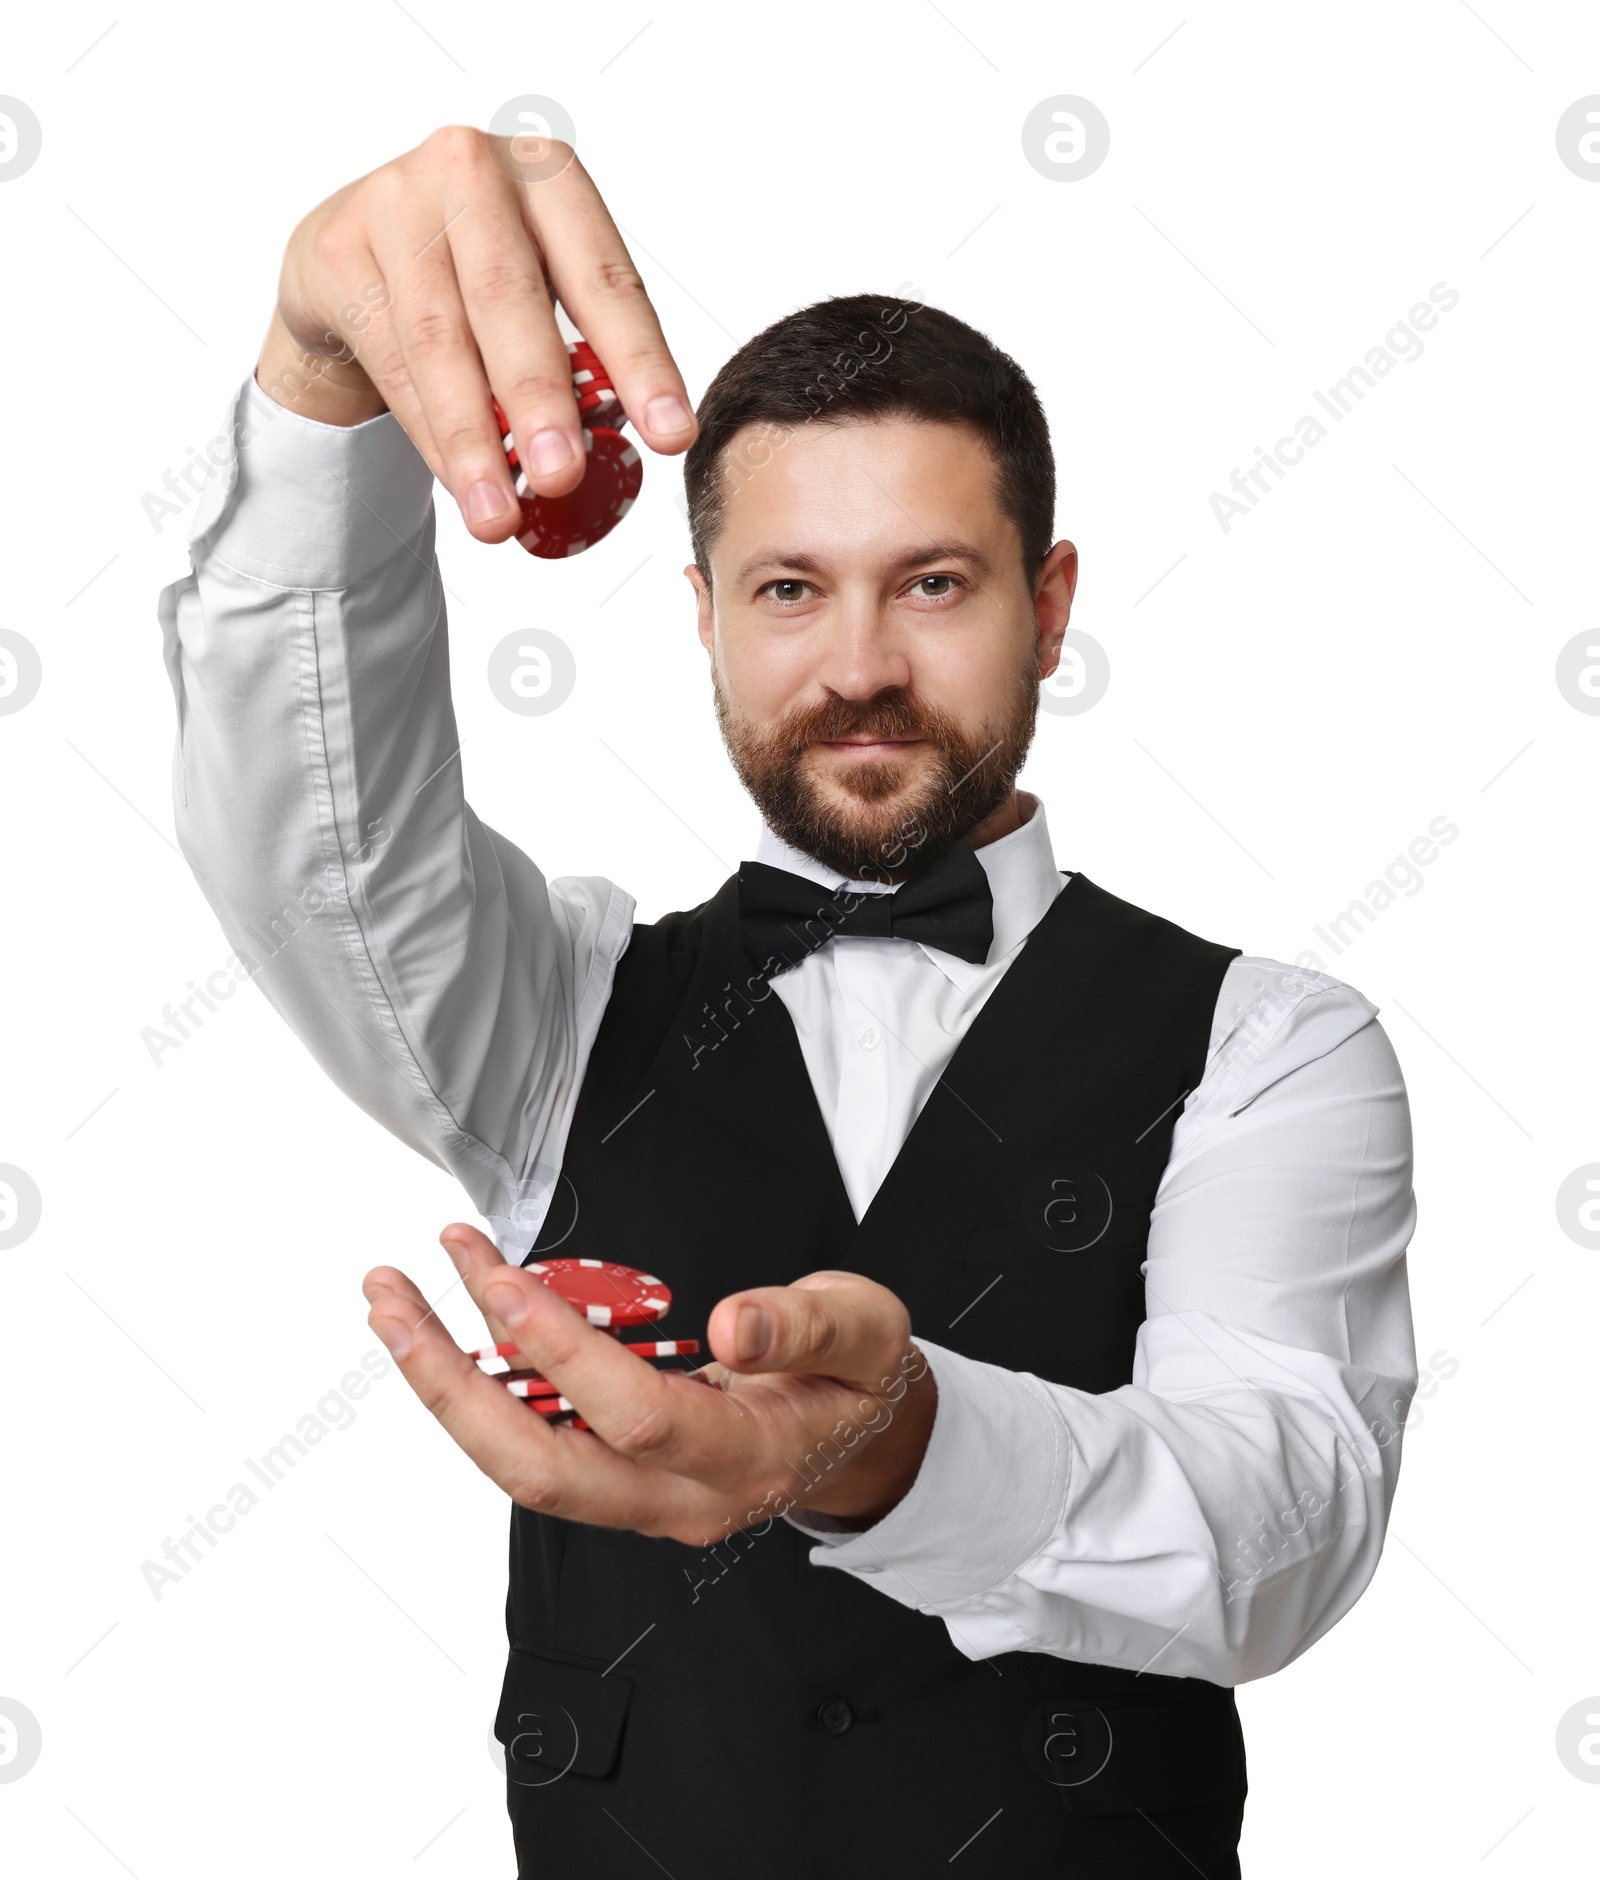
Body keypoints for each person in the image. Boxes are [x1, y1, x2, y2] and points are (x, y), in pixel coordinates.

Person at [157, 126, 1417, 1879]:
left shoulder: (1272, 1047)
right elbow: (314, 855)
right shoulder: (561, 1016)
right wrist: (318, 394)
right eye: (788, 590)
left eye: (935, 583)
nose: (859, 668)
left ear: (1051, 609)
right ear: (704, 621)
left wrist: (893, 1442)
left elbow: (1282, 1524)